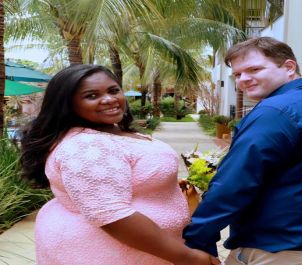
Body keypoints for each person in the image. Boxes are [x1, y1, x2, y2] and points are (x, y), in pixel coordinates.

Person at [183, 37, 302, 264]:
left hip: (289, 248)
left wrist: (197, 240)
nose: (243, 79)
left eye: (254, 69)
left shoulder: (274, 111)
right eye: (238, 74)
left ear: (289, 67)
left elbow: (234, 184)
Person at [20, 64, 216, 265]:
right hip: (108, 254)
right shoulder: (85, 146)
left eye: (113, 90)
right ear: (68, 104)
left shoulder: (111, 131)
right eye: (92, 96)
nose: (109, 99)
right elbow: (111, 214)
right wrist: (187, 258)